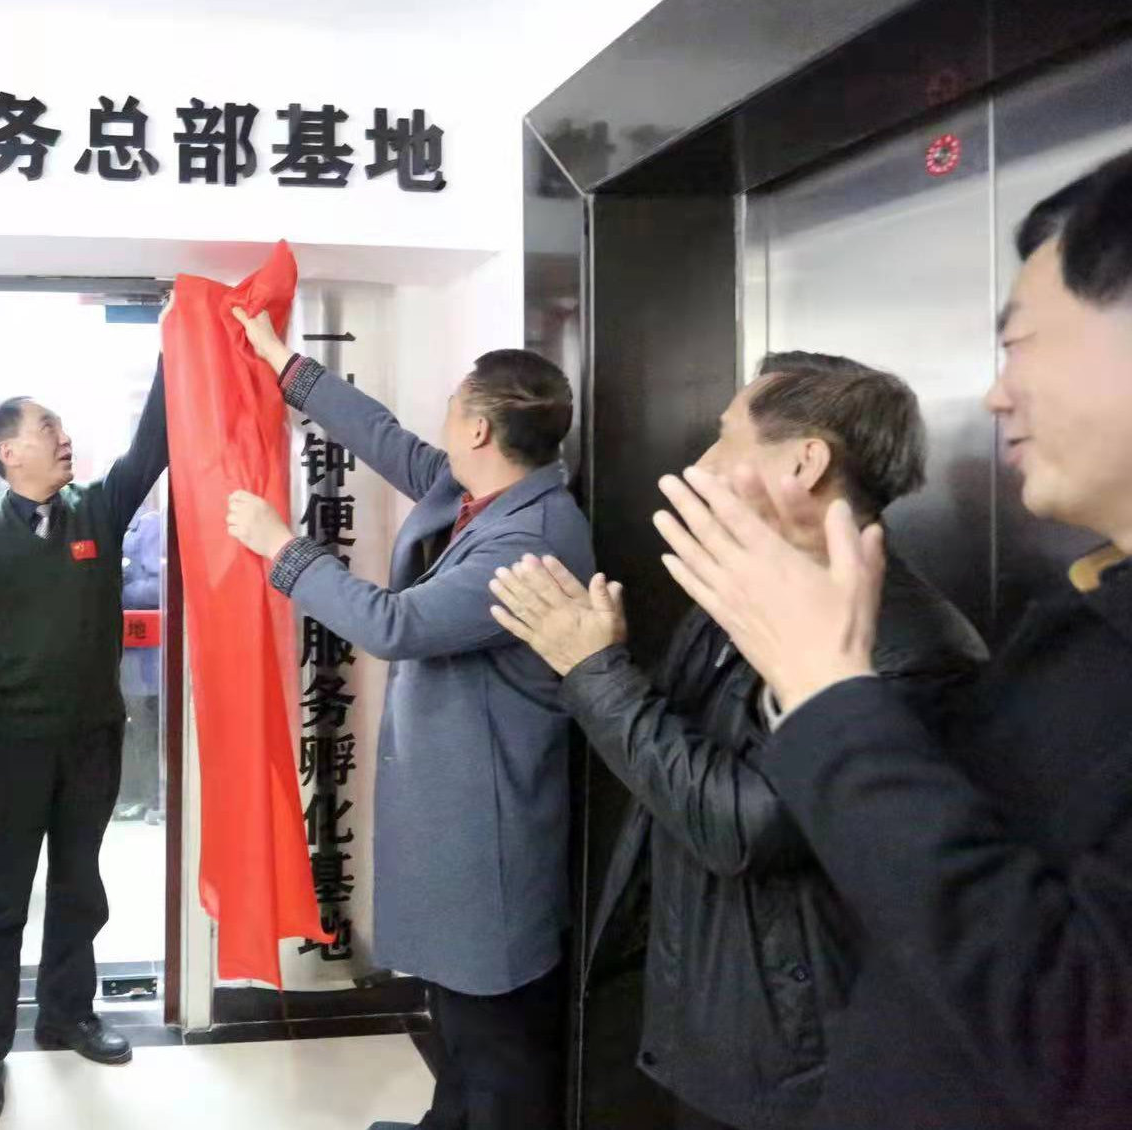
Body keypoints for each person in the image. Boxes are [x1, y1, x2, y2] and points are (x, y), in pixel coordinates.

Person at [646, 150, 1132, 1129]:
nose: (995, 395)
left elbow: (1077, 1027)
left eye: (1020, 343)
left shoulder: (913, 638)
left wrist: (825, 695)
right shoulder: (1079, 627)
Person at [488, 355, 987, 1129]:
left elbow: (746, 826)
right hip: (710, 1017)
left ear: (803, 462)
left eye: (724, 438)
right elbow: (681, 758)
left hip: (800, 1063)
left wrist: (593, 671)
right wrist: (600, 656)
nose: (700, 464)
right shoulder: (742, 592)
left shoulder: (909, 644)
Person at [224, 311, 591, 1130]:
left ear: (480, 428)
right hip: (453, 806)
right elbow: (386, 441)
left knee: (493, 1032)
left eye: (454, 405)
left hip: (489, 821)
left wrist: (280, 546)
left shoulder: (528, 539)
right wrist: (285, 364)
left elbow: (395, 625)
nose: (443, 419)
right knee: (454, 1011)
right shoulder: (481, 491)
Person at [0, 358, 167, 1126]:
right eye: (47, 428)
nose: (64, 437)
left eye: (61, 427)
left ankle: (67, 1013)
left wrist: (173, 349)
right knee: (1, 901)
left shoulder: (96, 511)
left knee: (78, 886)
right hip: (12, 746)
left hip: (92, 739)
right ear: (10, 452)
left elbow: (151, 447)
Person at [116, 500, 164, 822]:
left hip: (147, 655)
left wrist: (117, 586)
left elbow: (159, 587)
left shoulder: (149, 526)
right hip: (122, 655)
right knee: (130, 728)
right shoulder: (115, 524)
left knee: (147, 727)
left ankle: (152, 798)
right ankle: (134, 795)